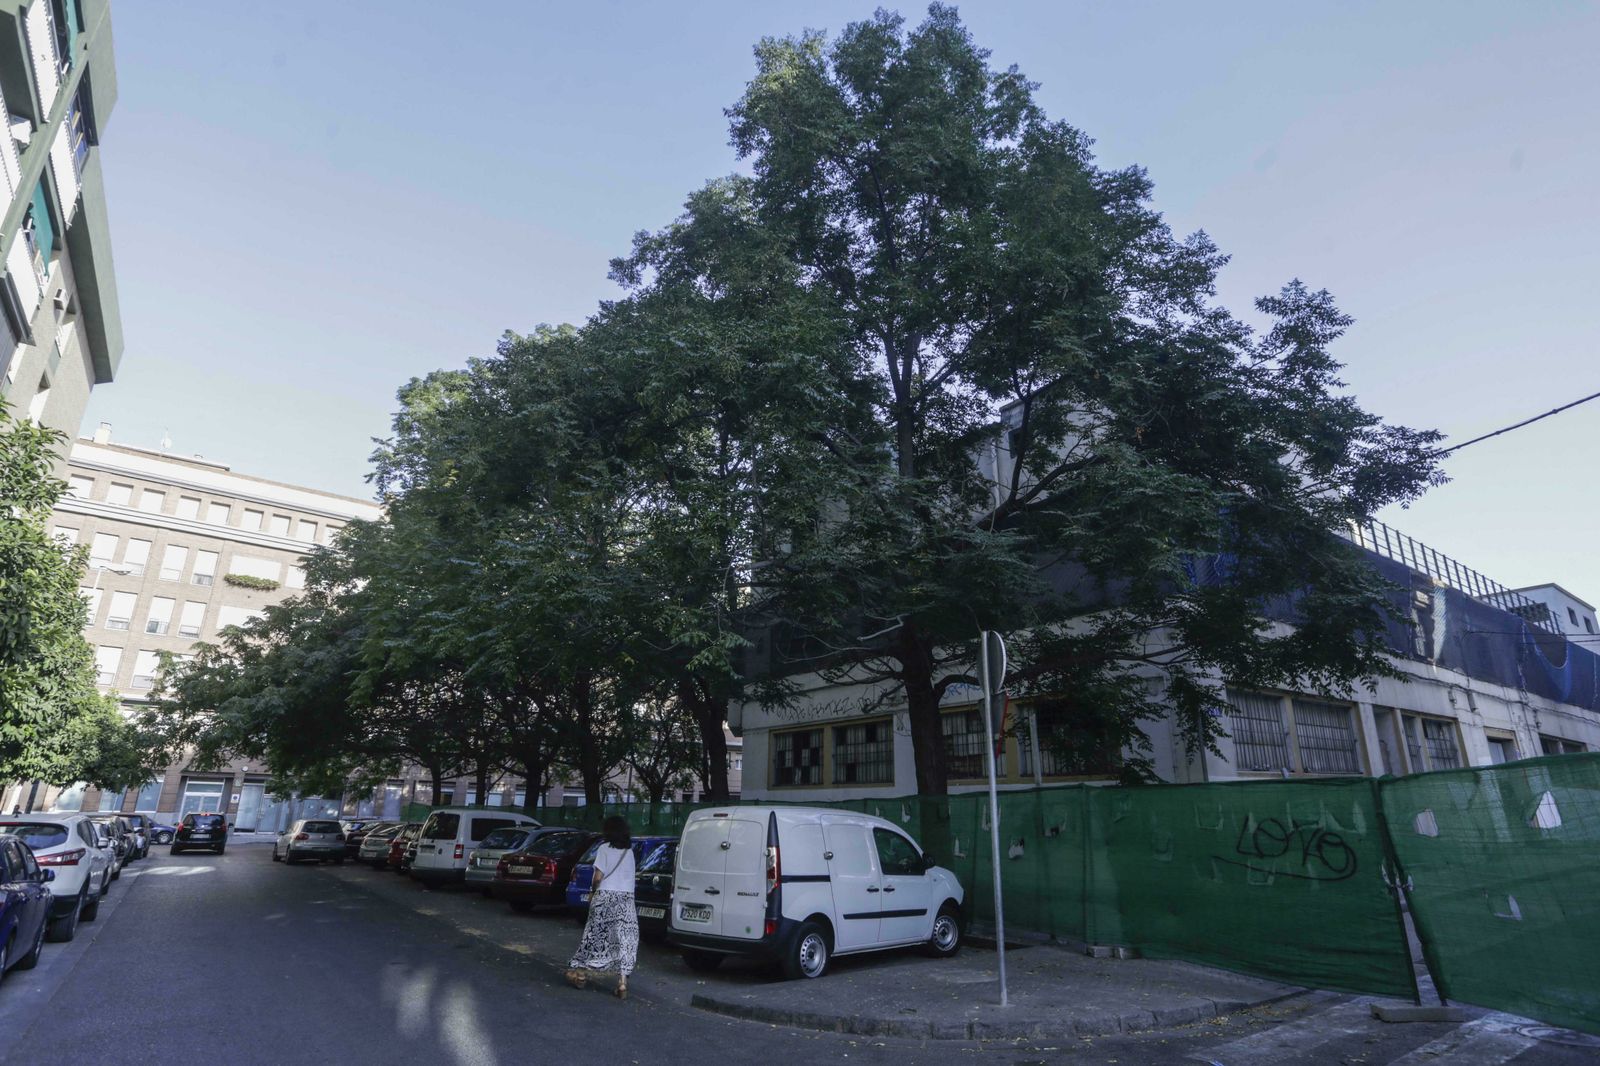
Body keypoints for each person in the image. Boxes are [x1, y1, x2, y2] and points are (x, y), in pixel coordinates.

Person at [566, 815, 640, 999]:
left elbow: (598, 877)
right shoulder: (629, 852)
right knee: (625, 939)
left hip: (605, 896)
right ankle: (622, 982)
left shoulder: (604, 849)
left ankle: (580, 973)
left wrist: (592, 891)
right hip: (626, 900)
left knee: (594, 936)